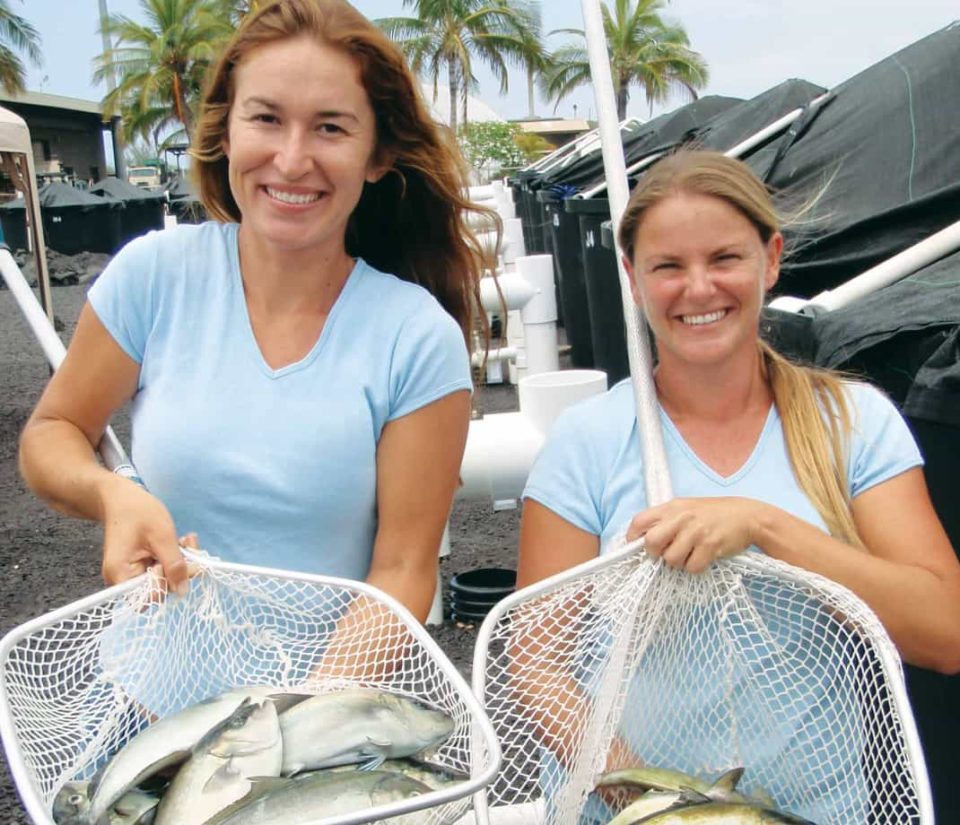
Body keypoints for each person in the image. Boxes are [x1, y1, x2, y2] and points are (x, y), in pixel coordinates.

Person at [514, 150, 960, 822]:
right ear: (632, 279)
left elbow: (945, 631)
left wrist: (762, 524)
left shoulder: (856, 424)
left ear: (770, 259)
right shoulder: (587, 440)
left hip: (817, 808)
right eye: (668, 266)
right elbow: (535, 663)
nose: (699, 289)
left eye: (724, 258)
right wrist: (653, 803)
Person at [18, 0, 494, 627]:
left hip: (326, 709)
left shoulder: (415, 338)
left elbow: (403, 570)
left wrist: (296, 716)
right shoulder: (153, 276)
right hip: (152, 707)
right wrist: (113, 495)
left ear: (378, 156)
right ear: (225, 131)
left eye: (331, 128)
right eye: (267, 118)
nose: (293, 160)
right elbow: (52, 433)